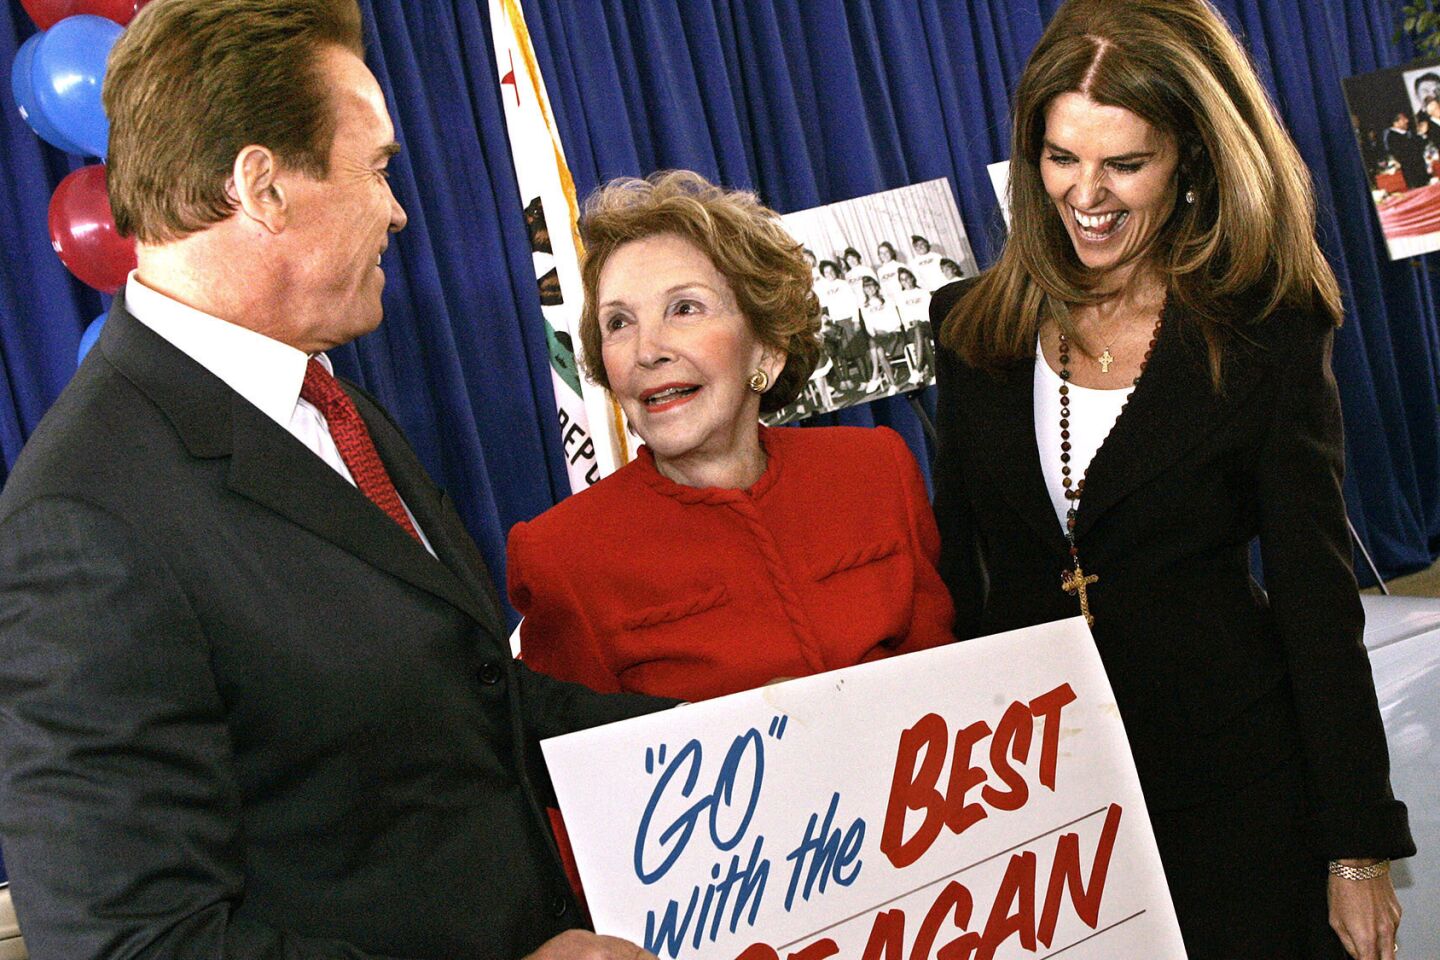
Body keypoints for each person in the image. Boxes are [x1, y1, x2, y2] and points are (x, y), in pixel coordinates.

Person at [0, 2, 672, 959]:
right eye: (379, 167)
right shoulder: (82, 519)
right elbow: (138, 943)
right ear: (263, 187)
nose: (398, 207)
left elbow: (461, 699)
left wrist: (755, 740)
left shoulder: (326, 400)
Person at [929, 1, 1414, 958]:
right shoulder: (970, 331)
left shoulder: (1267, 330)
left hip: (1238, 783)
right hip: (1045, 806)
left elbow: (1319, 601)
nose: (1086, 194)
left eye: (1124, 164)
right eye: (1062, 158)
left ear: (1189, 156)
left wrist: (1355, 850)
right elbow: (962, 582)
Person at [507, 170, 954, 702]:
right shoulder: (562, 555)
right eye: (619, 323)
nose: (648, 350)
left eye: (685, 308)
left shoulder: (876, 470)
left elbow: (952, 684)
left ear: (765, 349)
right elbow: (580, 769)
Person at [1383, 110, 1429, 189]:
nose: (1407, 121)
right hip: (1411, 175)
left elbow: (1420, 147)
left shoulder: (1408, 133)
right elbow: (1406, 153)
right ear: (1396, 123)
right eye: (1403, 119)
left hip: (1421, 172)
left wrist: (1422, 134)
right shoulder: (1391, 137)